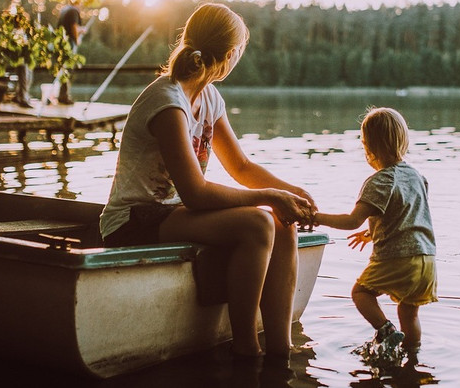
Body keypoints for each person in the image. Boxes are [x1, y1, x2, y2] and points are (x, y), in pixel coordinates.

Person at [99, 3, 315, 360]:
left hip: (173, 214)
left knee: (282, 223)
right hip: (133, 220)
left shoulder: (210, 97)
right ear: (230, 55)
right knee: (260, 223)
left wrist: (290, 193)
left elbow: (241, 166)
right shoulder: (168, 102)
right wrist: (269, 197)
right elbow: (197, 193)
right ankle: (247, 349)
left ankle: (281, 351)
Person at [312, 107, 437, 360]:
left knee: (361, 293)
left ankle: (386, 329)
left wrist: (315, 218)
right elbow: (406, 215)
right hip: (427, 261)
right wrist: (372, 234)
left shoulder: (379, 181)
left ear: (368, 147)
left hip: (397, 258)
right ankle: (411, 358)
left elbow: (351, 221)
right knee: (409, 313)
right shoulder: (417, 177)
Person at [56, 0, 82, 104]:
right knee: (68, 69)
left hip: (61, 42)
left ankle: (62, 95)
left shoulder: (64, 10)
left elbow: (65, 26)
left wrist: (81, 30)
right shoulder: (74, 11)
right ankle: (64, 96)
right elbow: (73, 26)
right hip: (69, 43)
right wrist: (77, 40)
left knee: (63, 68)